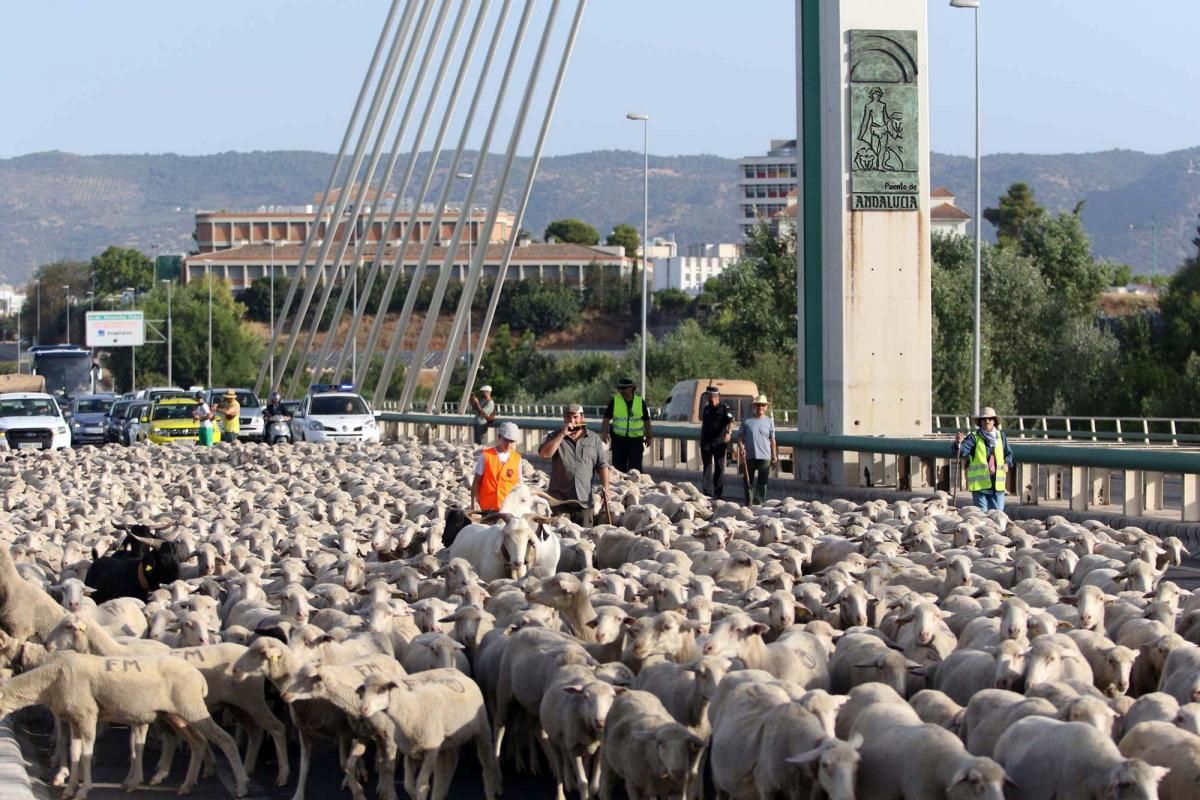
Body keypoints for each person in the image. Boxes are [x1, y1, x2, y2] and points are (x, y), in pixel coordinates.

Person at [539, 403, 610, 526]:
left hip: (583, 502)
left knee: (584, 541)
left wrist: (606, 488)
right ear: (564, 419)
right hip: (559, 502)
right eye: (568, 417)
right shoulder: (554, 436)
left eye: (575, 417)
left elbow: (602, 465)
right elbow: (545, 454)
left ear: (582, 417)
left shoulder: (593, 439)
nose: (572, 421)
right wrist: (562, 435)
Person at [953, 406, 1015, 511]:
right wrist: (958, 443)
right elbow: (962, 452)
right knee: (982, 517)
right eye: (984, 419)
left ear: (994, 421)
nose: (987, 421)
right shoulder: (973, 437)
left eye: (990, 419)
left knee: (997, 515)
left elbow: (1009, 454)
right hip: (980, 487)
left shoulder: (1001, 436)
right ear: (980, 422)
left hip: (997, 487)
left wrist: (1007, 463)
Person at [601, 377, 652, 473]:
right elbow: (606, 418)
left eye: (623, 388)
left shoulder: (640, 402)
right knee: (619, 470)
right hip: (619, 440)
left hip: (635, 441)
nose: (621, 391)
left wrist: (649, 436)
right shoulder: (615, 401)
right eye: (619, 389)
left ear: (631, 388)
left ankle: (636, 488)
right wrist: (604, 432)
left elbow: (646, 420)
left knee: (636, 470)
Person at [471, 421, 523, 513]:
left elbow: (519, 485)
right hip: (487, 508)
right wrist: (473, 506)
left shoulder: (517, 458)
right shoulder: (486, 456)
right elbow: (476, 481)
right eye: (506, 440)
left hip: (508, 508)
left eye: (511, 441)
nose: (508, 444)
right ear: (499, 437)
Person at [736, 395, 777, 505]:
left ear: (766, 407)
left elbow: (772, 440)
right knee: (748, 480)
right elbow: (740, 437)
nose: (761, 407)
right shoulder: (747, 421)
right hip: (749, 456)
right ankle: (749, 502)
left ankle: (759, 503)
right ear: (755, 406)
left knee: (762, 482)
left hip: (765, 457)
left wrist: (774, 456)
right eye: (758, 405)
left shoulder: (769, 422)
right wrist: (741, 447)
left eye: (763, 405)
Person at [699, 385, 734, 499]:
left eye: (711, 397)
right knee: (707, 466)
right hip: (706, 443)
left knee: (719, 467)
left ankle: (718, 493)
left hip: (719, 442)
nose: (710, 399)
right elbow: (704, 425)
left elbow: (730, 421)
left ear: (717, 396)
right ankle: (707, 492)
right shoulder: (707, 409)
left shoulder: (724, 408)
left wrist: (729, 433)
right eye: (708, 397)